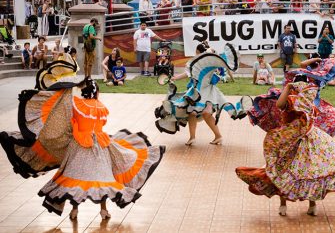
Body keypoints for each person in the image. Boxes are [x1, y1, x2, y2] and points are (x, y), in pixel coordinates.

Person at [0, 72, 165, 219]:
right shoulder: (101, 107)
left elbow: (68, 120)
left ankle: (74, 210)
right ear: (96, 92)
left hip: (79, 147)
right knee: (102, 178)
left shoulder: (76, 105)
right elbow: (100, 125)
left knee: (76, 178)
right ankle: (103, 210)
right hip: (100, 147)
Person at [236, 77, 335, 217]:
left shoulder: (292, 101)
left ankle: (283, 205)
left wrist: (288, 88)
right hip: (312, 139)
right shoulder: (309, 103)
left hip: (291, 142)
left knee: (282, 170)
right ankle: (312, 205)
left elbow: (279, 105)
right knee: (311, 171)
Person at [154, 43, 250, 145]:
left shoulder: (201, 62)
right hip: (206, 92)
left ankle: (197, 137)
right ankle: (211, 137)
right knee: (202, 114)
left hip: (201, 92)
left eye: (196, 51)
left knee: (193, 112)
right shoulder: (207, 62)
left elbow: (189, 74)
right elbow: (214, 77)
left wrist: (175, 78)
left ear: (198, 52)